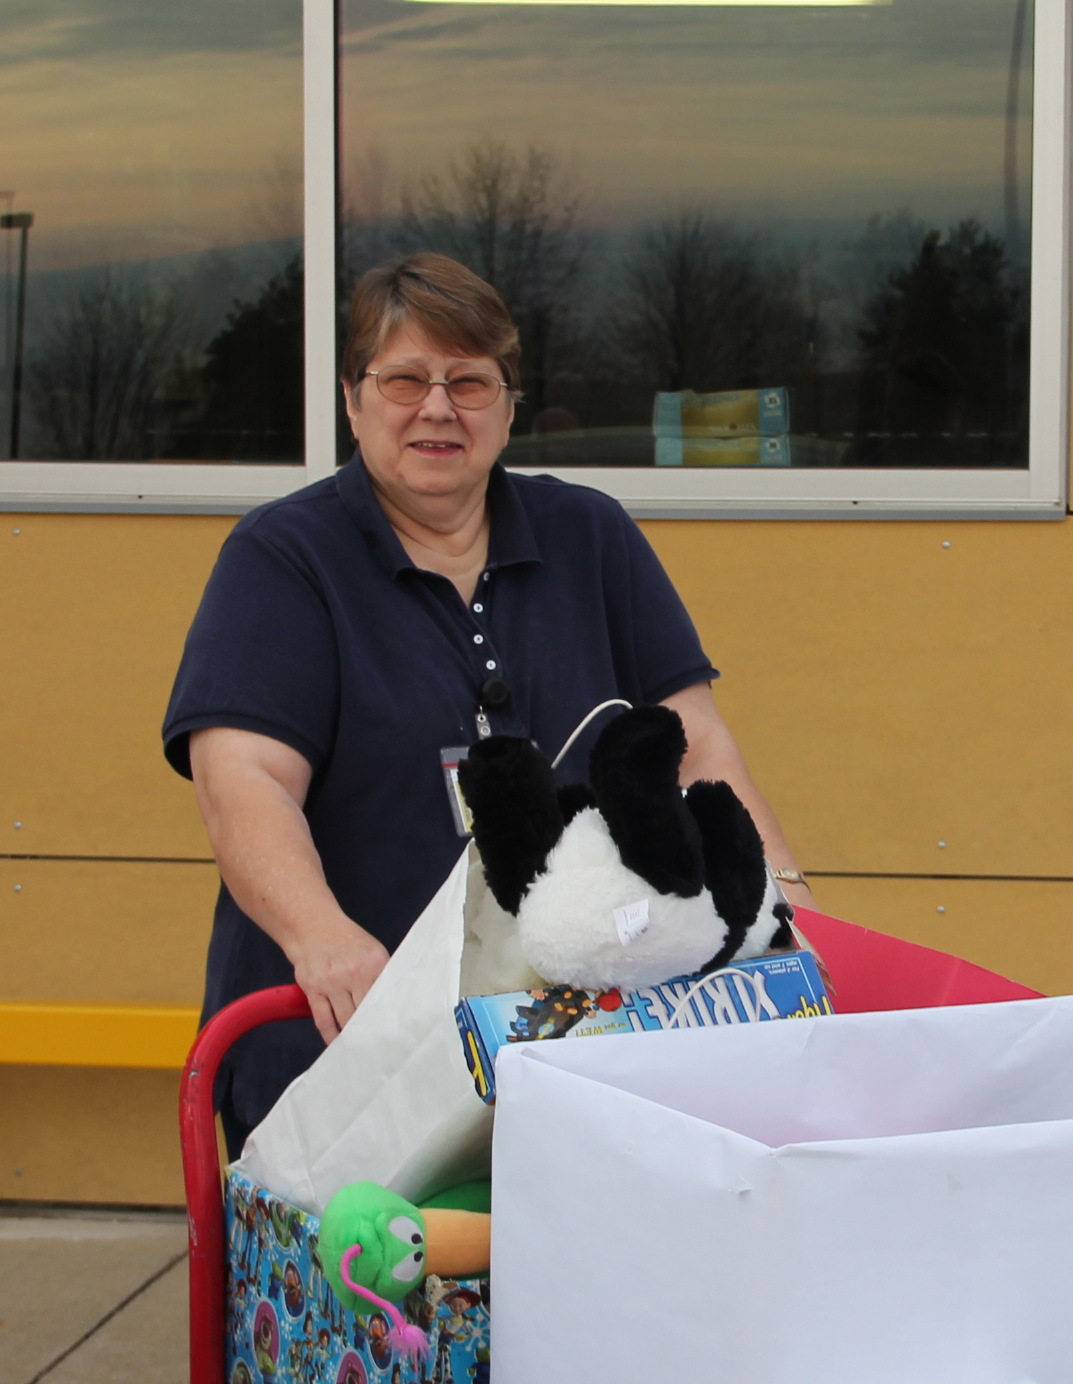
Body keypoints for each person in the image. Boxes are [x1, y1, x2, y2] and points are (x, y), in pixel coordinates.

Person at [162, 253, 810, 1152]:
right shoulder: (284, 559)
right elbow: (243, 781)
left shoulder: (592, 537)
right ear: (352, 399)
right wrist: (323, 939)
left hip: (585, 1053)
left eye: (469, 382)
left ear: (509, 406)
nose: (438, 408)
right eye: (405, 380)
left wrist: (784, 904)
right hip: (349, 1061)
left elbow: (697, 749)